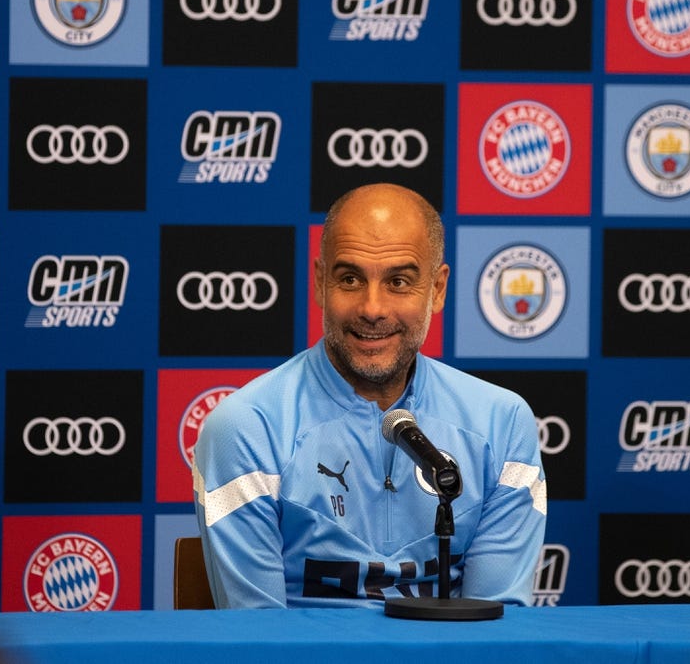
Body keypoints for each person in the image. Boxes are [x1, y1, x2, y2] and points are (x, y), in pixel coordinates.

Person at [192, 183, 546, 608]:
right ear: (321, 283)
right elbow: (259, 640)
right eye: (350, 279)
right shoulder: (245, 428)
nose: (372, 308)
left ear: (436, 289)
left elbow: (496, 629)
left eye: (398, 281)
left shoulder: (503, 424)